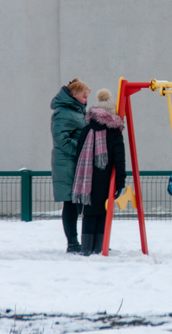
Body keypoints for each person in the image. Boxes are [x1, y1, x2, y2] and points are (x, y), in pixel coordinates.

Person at [72, 89, 126, 256]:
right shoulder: (114, 132)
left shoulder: (86, 129)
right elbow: (119, 159)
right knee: (103, 210)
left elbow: (79, 154)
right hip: (104, 179)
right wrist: (120, 183)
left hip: (86, 179)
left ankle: (87, 247)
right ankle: (99, 247)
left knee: (88, 212)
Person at [51, 78, 90, 253]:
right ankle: (73, 243)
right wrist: (83, 151)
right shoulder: (64, 112)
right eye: (84, 96)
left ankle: (83, 241)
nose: (86, 100)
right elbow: (61, 139)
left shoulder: (75, 111)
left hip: (74, 163)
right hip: (67, 164)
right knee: (70, 203)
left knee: (78, 203)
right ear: (74, 94)